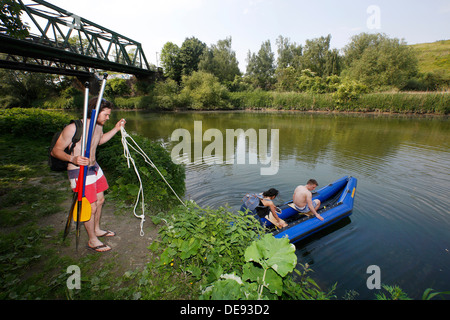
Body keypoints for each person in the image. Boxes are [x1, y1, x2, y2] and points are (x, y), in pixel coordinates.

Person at [51, 97, 126, 252]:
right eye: (105, 114)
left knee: (100, 200)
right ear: (95, 112)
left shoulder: (98, 126)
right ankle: (92, 240)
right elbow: (55, 151)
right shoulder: (73, 128)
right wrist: (73, 158)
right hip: (79, 171)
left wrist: (116, 129)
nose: (108, 117)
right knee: (90, 206)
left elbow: (98, 141)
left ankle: (97, 230)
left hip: (94, 168)